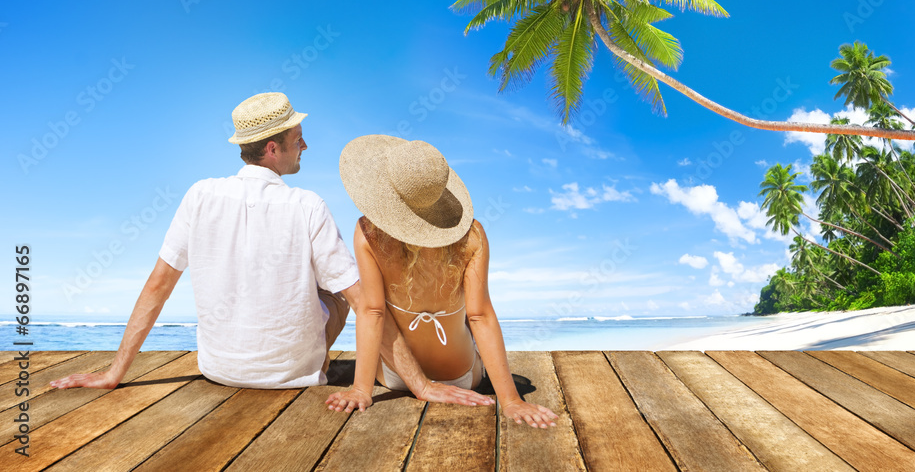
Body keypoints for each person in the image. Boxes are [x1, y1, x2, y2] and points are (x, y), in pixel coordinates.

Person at [52, 94, 492, 406]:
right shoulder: (307, 205)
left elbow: (157, 287)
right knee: (340, 292)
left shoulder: (199, 195)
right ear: (272, 148)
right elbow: (366, 307)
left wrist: (114, 374)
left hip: (218, 369)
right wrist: (421, 385)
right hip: (292, 377)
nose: (305, 145)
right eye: (298, 138)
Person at [326, 135, 558, 427]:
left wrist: (361, 389)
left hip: (395, 378)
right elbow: (480, 316)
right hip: (461, 376)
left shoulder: (368, 232)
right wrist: (511, 401)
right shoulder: (472, 236)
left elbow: (372, 311)